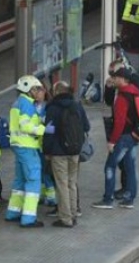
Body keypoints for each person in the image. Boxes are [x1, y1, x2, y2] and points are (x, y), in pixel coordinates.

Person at [92, 64, 139, 210]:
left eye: (116, 77)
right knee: (130, 167)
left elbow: (119, 122)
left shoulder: (122, 98)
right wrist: (109, 87)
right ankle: (130, 198)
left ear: (123, 79)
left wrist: (112, 141)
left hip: (123, 137)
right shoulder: (135, 92)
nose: (113, 79)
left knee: (110, 166)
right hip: (134, 135)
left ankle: (108, 199)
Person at [42, 81, 90, 228]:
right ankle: (74, 214)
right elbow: (86, 126)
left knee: (61, 184)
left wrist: (47, 151)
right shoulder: (76, 105)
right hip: (75, 151)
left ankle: (65, 218)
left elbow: (49, 132)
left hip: (58, 152)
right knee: (72, 183)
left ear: (56, 92)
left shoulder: (52, 108)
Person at [4, 75, 49, 228]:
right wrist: (44, 129)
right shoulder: (27, 104)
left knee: (20, 180)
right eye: (37, 89)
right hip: (28, 146)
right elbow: (26, 126)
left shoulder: (19, 102)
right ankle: (29, 218)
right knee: (33, 180)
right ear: (29, 90)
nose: (39, 91)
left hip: (18, 146)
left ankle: (13, 212)